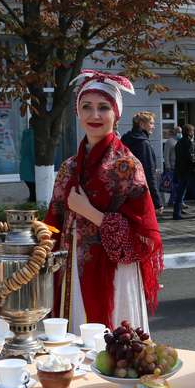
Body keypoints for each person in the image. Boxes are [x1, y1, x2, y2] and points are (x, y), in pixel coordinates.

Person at [44, 70, 163, 329]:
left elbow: (140, 238)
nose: (94, 115)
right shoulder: (69, 167)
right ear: (77, 112)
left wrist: (87, 211)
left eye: (103, 107)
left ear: (116, 114)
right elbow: (53, 220)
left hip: (114, 273)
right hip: (71, 269)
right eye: (86, 107)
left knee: (112, 345)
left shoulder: (127, 166)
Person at [121, 111, 163, 212]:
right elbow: (148, 173)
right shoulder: (143, 143)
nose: (153, 126)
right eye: (151, 123)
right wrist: (157, 202)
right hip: (140, 193)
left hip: (124, 191)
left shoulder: (125, 139)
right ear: (142, 124)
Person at [162, 126, 178, 208]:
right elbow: (166, 154)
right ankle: (172, 201)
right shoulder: (170, 141)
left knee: (177, 186)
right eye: (178, 131)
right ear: (174, 132)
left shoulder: (179, 141)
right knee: (172, 185)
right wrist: (167, 166)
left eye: (181, 131)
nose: (180, 133)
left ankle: (175, 201)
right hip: (172, 167)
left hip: (179, 167)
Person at [20, 125, 36, 202]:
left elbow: (21, 151)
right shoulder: (33, 136)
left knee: (32, 191)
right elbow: (33, 153)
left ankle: (30, 205)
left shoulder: (26, 135)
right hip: (30, 168)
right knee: (34, 192)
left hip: (24, 167)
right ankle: (32, 208)